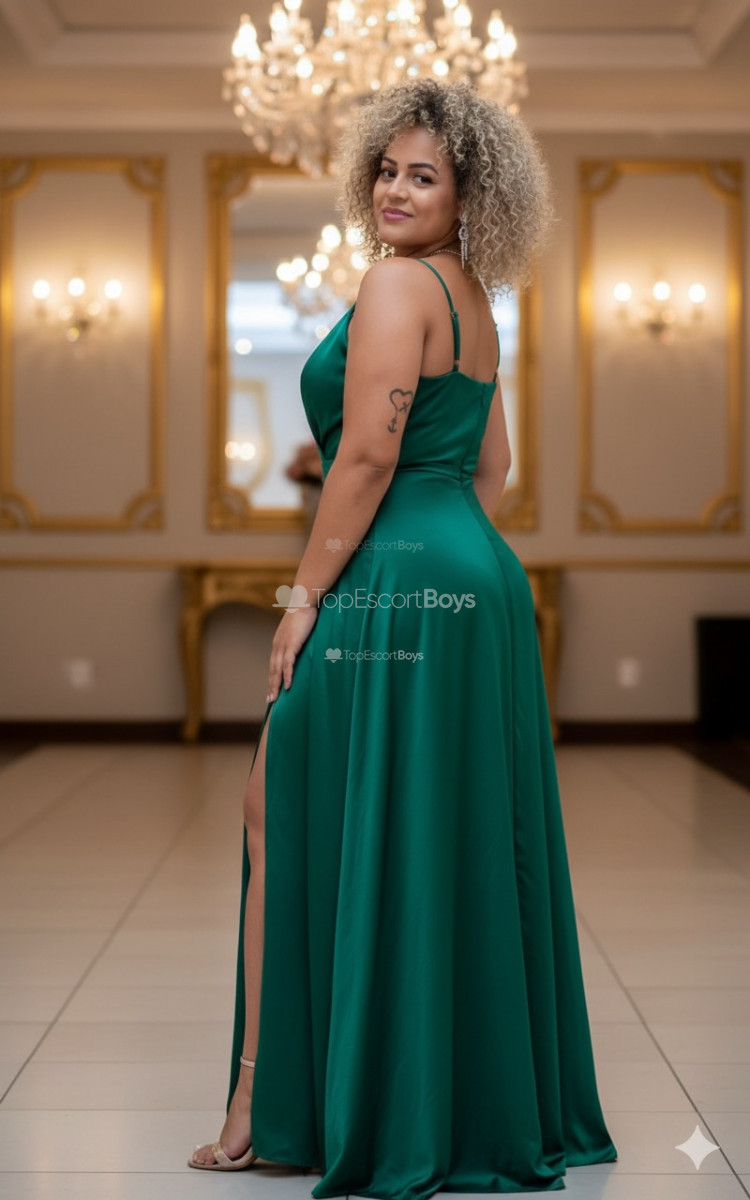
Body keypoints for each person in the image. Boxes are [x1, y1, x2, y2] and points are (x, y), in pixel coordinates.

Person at [189, 77, 618, 1197]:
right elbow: (493, 466)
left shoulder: (395, 284)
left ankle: (268, 1101)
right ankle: (421, 1098)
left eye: (424, 176)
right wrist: (444, 541)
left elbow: (368, 456)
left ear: (469, 194)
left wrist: (303, 596)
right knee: (437, 822)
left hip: (393, 578)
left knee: (282, 802)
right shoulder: (474, 297)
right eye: (387, 169)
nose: (395, 189)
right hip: (471, 573)